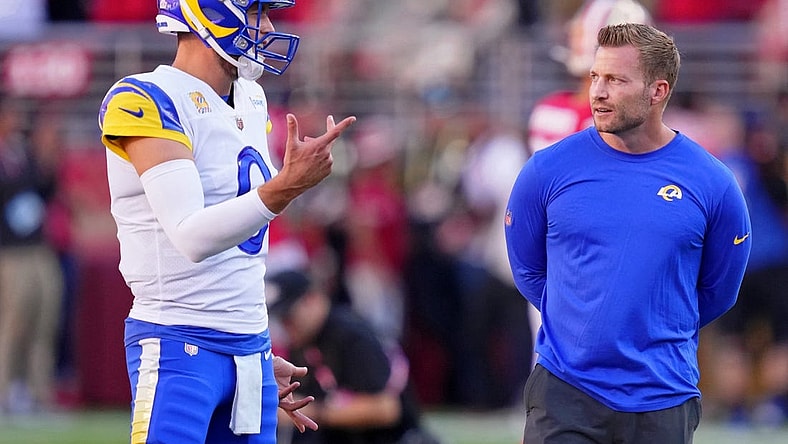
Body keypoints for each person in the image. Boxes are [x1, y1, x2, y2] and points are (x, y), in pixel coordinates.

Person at [97, 1, 355, 443]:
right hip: (178, 342)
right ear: (209, 12)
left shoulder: (252, 98)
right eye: (257, 11)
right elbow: (191, 235)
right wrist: (286, 187)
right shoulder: (143, 99)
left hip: (249, 347)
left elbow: (243, 241)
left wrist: (250, 345)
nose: (269, 27)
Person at [504, 23, 752, 444]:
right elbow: (528, 271)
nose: (597, 91)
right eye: (596, 76)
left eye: (616, 80)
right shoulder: (547, 170)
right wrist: (583, 322)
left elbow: (718, 291)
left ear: (658, 91)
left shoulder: (712, 183)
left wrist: (650, 325)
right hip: (565, 390)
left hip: (663, 396)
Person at [265, 268, 439, 444]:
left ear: (313, 300)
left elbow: (386, 409)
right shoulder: (303, 342)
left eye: (289, 316)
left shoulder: (350, 335)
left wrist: (311, 411)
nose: (286, 325)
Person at [0, 96, 65, 415]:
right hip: (10, 253)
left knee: (44, 320)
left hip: (38, 248)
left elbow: (45, 191)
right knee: (13, 323)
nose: (15, 120)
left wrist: (47, 158)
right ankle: (4, 393)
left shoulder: (22, 151)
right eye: (9, 115)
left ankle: (40, 394)